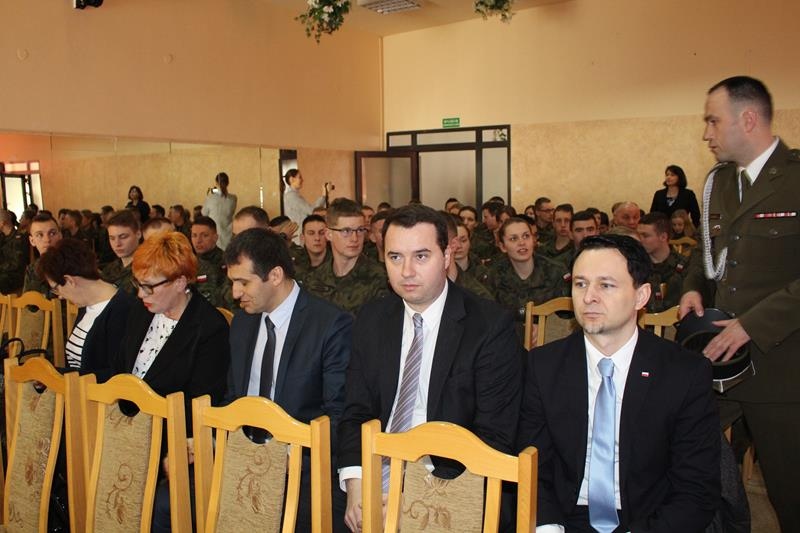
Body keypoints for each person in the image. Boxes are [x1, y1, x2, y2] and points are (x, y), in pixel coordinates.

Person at [337, 205, 523, 532]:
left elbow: (494, 439)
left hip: (452, 486)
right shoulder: (372, 318)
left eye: (421, 256)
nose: (407, 271)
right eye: (395, 257)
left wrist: (411, 499)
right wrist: (356, 484)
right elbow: (356, 411)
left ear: (447, 256)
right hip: (375, 478)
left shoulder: (490, 327)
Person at [518, 234, 720, 532]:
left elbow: (696, 489)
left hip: (649, 518)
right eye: (580, 284)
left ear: (641, 296)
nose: (589, 297)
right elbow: (532, 467)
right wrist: (548, 526)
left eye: (606, 285)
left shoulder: (684, 373)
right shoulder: (543, 365)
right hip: (565, 517)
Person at [680, 75, 800, 532]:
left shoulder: (794, 180)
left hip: (781, 369)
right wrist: (693, 286)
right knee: (684, 458)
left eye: (713, 121)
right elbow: (707, 254)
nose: (706, 133)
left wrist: (752, 324)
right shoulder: (720, 183)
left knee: (789, 490)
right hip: (718, 361)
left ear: (748, 119)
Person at [224, 228, 351, 533]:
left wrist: (286, 455)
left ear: (275, 276)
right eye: (232, 282)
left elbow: (339, 415)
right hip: (245, 459)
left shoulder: (330, 324)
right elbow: (232, 398)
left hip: (305, 468)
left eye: (244, 282)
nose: (235, 293)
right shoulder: (243, 322)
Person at [115, 231, 230, 533]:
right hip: (127, 434)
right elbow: (122, 373)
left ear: (180, 282)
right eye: (138, 284)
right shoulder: (141, 312)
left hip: (172, 446)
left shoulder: (209, 328)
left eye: (149, 287)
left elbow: (201, 405)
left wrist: (169, 450)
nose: (141, 295)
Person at [38, 239, 134, 381]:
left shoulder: (123, 309)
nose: (59, 296)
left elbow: (116, 375)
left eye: (56, 289)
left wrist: (59, 375)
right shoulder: (86, 305)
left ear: (69, 280)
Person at [304, 198, 388, 314]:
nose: (354, 238)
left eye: (360, 230)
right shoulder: (315, 280)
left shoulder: (379, 278)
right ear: (328, 234)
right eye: (346, 231)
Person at [486, 217, 564, 327]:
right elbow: (489, 316)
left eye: (526, 236)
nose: (522, 242)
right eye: (513, 239)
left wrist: (545, 330)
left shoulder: (556, 271)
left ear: (533, 240)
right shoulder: (494, 276)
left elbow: (567, 317)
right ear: (503, 246)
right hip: (508, 335)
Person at [638, 212, 687, 313]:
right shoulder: (637, 266)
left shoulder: (685, 265)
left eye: (645, 236)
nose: (640, 240)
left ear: (663, 237)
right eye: (638, 235)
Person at [191, 216, 231, 309]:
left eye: (204, 235)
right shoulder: (189, 264)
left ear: (215, 238)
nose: (198, 241)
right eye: (194, 235)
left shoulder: (228, 261)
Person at [100, 210, 141, 296]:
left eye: (123, 237)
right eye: (112, 238)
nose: (117, 244)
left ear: (138, 234)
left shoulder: (149, 269)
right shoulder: (109, 270)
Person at [25, 213, 63, 295]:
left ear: (60, 236)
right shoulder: (32, 269)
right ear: (32, 241)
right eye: (39, 235)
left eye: (52, 233)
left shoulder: (74, 265)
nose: (47, 240)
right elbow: (27, 300)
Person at [282, 169, 328, 236]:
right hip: (298, 233)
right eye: (299, 177)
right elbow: (311, 211)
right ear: (292, 179)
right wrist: (323, 195)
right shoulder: (291, 196)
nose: (302, 180)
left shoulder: (293, 195)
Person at [202, 171, 237, 249]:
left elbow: (204, 213)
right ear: (228, 183)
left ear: (216, 183)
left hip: (214, 234)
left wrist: (214, 190)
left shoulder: (211, 198)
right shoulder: (233, 199)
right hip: (228, 235)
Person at [0, 209, 29, 295]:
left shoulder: (19, 239)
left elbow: (16, 264)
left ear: (2, 223)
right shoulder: (2, 238)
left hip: (15, 276)